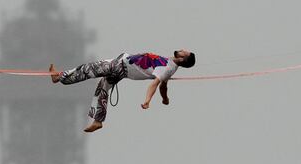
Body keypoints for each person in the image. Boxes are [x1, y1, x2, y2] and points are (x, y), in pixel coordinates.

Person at [49, 50, 195, 133]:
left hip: (120, 66)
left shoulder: (167, 69)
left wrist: (147, 101)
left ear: (182, 59)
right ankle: (98, 121)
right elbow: (164, 86)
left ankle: (60, 77)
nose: (181, 49)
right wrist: (165, 99)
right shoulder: (170, 66)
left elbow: (155, 84)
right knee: (102, 87)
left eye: (184, 52)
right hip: (122, 65)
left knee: (89, 68)